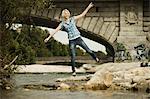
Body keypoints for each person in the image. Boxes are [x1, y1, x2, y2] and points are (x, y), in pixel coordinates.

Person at [44, 2, 100, 76]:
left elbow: (82, 15)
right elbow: (55, 30)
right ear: (64, 15)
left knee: (88, 50)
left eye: (68, 13)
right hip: (72, 41)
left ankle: (95, 58)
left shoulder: (73, 19)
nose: (67, 14)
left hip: (78, 38)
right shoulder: (62, 24)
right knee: (73, 56)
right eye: (66, 13)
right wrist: (48, 38)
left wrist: (88, 7)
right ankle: (73, 71)